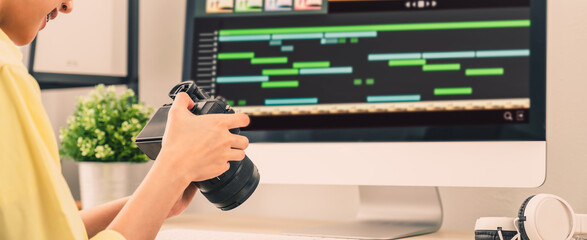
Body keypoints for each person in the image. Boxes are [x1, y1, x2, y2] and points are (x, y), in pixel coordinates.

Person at [0, 0, 251, 239]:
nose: (68, 6)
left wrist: (161, 197)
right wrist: (175, 165)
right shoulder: (6, 73)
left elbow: (47, 234)